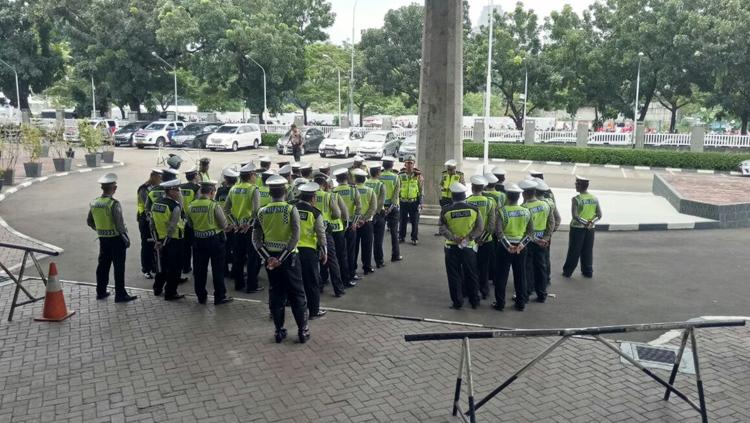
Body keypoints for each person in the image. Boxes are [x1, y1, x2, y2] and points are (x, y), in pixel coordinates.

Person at [253, 175, 310, 343]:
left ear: (270, 193)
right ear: (285, 192)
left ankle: (278, 331)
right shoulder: (290, 209)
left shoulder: (261, 212)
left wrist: (268, 258)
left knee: (276, 295)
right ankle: (302, 330)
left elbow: (255, 239)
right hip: (289, 259)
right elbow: (295, 237)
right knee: (297, 295)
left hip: (271, 261)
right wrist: (282, 257)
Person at [87, 173, 138, 302]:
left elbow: (89, 221)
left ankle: (101, 291)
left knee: (103, 266)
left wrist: (100, 230)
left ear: (102, 188)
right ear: (114, 188)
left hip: (103, 239)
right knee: (119, 267)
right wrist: (126, 239)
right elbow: (119, 225)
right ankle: (120, 294)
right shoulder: (113, 204)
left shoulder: (94, 203)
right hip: (116, 239)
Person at [186, 180, 233, 305]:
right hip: (215, 241)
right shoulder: (213, 205)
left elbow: (190, 224)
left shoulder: (191, 205)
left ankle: (201, 296)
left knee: (200, 270)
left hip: (198, 241)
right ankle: (219, 296)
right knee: (218, 269)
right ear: (212, 192)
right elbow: (224, 224)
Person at [439, 182, 483, 310]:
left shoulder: (446, 210)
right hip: (468, 247)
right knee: (471, 274)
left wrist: (454, 238)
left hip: (451, 247)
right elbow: (479, 228)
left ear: (452, 196)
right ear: (464, 195)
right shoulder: (474, 209)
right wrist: (469, 237)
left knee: (454, 275)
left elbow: (442, 228)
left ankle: (457, 302)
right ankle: (474, 301)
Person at [494, 183, 534, 311]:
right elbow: (530, 233)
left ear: (507, 196)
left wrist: (508, 246)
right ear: (519, 196)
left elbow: (499, 233)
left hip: (504, 248)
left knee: (501, 276)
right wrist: (521, 245)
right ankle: (520, 303)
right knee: (520, 275)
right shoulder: (526, 211)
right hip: (520, 249)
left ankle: (500, 303)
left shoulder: (502, 211)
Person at [224, 162, 263, 293]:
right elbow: (256, 210)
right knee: (252, 257)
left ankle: (238, 284)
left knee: (238, 257)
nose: (256, 177)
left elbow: (226, 209)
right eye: (255, 174)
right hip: (250, 229)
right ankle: (252, 286)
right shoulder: (253, 189)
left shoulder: (233, 188)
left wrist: (235, 223)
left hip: (237, 228)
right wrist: (249, 223)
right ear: (251, 175)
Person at [295, 182, 328, 319]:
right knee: (312, 282)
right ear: (313, 198)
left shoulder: (291, 208)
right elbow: (321, 234)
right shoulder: (315, 213)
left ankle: (294, 306)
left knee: (295, 281)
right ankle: (313, 311)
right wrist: (324, 251)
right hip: (308, 251)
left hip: (292, 250)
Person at [151, 178, 187, 301]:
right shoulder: (174, 206)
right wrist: (165, 242)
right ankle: (170, 293)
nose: (179, 192)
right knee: (175, 268)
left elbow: (152, 223)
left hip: (159, 239)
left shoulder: (156, 203)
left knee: (162, 266)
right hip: (174, 240)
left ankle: (157, 288)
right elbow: (172, 227)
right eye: (177, 190)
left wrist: (157, 241)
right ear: (170, 191)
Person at [520, 179, 554, 303]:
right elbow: (551, 223)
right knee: (541, 267)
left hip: (529, 242)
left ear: (524, 194)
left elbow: (524, 229)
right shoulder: (545, 205)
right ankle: (542, 294)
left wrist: (534, 239)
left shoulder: (524, 207)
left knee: (527, 268)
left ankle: (527, 292)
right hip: (542, 242)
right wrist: (545, 238)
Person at [563, 176, 602, 278]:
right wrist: (590, 223)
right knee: (588, 250)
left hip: (577, 228)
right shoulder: (594, 198)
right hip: (590, 229)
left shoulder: (576, 199)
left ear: (580, 186)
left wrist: (585, 223)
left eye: (577, 184)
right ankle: (588, 271)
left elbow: (575, 216)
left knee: (574, 250)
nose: (575, 185)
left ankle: (568, 271)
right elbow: (599, 215)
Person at [314, 173, 346, 297]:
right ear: (324, 184)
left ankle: (319, 286)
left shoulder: (308, 196)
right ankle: (338, 289)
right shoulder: (328, 196)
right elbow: (337, 214)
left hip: (311, 233)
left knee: (316, 261)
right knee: (332, 260)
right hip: (325, 231)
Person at [466, 175, 496, 300]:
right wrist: (483, 237)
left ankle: (470, 291)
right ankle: (484, 291)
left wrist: (473, 237)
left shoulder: (467, 201)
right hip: (486, 240)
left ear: (472, 188)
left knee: (470, 267)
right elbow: (491, 224)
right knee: (484, 267)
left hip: (471, 241)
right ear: (483, 188)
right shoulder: (490, 202)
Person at [332, 167, 361, 283]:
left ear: (337, 179)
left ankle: (339, 274)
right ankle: (351, 273)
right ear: (347, 177)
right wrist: (355, 222)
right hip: (350, 224)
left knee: (339, 251)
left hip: (338, 226)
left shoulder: (333, 192)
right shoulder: (353, 190)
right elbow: (359, 207)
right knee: (350, 250)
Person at [534, 178, 560, 287]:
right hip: (545, 237)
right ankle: (545, 280)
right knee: (545, 258)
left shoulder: (530, 204)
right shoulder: (550, 202)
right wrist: (548, 235)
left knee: (532, 262)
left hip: (532, 239)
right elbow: (557, 219)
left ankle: (534, 284)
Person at [137, 168, 162, 279]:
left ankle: (153, 266)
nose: (160, 180)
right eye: (159, 177)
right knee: (146, 244)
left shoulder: (158, 188)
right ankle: (146, 269)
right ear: (153, 176)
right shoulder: (144, 188)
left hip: (155, 219)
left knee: (154, 244)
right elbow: (146, 204)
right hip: (145, 219)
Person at [352, 168, 377, 275]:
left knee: (354, 246)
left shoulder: (352, 190)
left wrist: (357, 220)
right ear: (364, 179)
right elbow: (373, 208)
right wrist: (364, 219)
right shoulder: (370, 190)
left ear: (355, 179)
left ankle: (352, 267)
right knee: (367, 246)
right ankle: (367, 267)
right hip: (367, 223)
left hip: (353, 223)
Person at [216, 168, 239, 275]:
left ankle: (224, 270)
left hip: (222, 225)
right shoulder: (237, 192)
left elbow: (216, 207)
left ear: (225, 179)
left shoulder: (220, 191)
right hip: (235, 225)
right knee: (236, 249)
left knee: (223, 249)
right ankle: (235, 271)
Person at [380, 156, 402, 262]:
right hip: (393, 208)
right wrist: (391, 207)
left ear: (383, 166)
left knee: (379, 234)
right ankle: (395, 255)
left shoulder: (379, 176)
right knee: (394, 233)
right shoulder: (395, 177)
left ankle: (379, 259)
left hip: (380, 208)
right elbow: (396, 194)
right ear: (392, 166)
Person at [398, 155, 422, 245]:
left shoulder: (418, 176)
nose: (409, 165)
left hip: (414, 202)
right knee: (402, 220)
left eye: (411, 163)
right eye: (407, 163)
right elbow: (397, 189)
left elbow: (421, 190)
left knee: (414, 221)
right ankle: (401, 237)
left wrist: (420, 202)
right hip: (403, 201)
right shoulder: (400, 175)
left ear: (414, 164)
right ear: (404, 164)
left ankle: (414, 238)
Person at [365, 167, 387, 268]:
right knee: (378, 240)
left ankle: (367, 264)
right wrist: (376, 213)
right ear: (378, 173)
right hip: (378, 214)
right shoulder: (380, 184)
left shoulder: (365, 183)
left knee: (367, 241)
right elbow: (382, 201)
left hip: (367, 214)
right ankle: (379, 261)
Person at [180, 168, 200, 274]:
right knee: (195, 246)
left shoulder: (180, 187)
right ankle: (196, 268)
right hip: (193, 220)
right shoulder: (197, 188)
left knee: (185, 246)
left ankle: (185, 267)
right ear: (195, 176)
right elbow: (197, 204)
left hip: (182, 219)